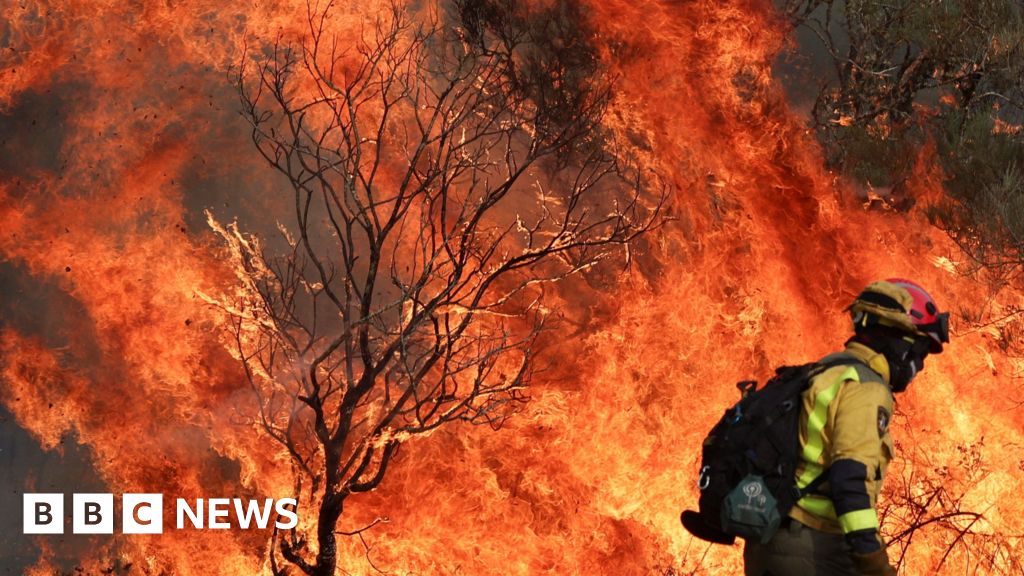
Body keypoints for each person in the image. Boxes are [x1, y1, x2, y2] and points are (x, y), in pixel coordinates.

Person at [743, 278, 950, 576]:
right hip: (812, 549)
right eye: (920, 351)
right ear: (898, 341)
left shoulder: (826, 370)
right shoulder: (865, 388)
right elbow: (850, 480)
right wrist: (872, 559)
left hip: (770, 542)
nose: (920, 365)